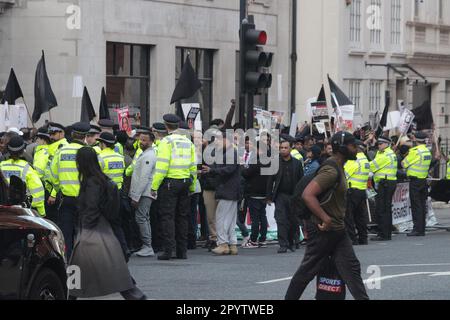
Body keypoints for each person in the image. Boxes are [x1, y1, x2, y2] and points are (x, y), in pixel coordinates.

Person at [285, 131, 369, 300]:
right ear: (343, 148)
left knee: (351, 268)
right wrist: (325, 218)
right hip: (323, 229)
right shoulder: (331, 169)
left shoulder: (339, 166)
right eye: (354, 146)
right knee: (307, 271)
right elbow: (308, 195)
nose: (357, 149)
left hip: (338, 230)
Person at [69, 147, 146, 300]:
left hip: (93, 230)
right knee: (111, 265)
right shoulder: (100, 178)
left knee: (79, 266)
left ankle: (70, 295)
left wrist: (84, 231)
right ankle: (134, 295)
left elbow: (91, 207)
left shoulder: (91, 182)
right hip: (102, 229)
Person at [151, 114, 197, 260]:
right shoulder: (187, 142)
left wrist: (154, 186)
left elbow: (162, 166)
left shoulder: (166, 142)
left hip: (170, 183)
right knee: (182, 217)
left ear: (165, 126)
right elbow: (193, 166)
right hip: (185, 182)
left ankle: (168, 250)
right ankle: (182, 251)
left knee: (168, 217)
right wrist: (192, 186)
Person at [49, 122, 90, 257]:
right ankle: (83, 260)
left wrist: (57, 189)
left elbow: (52, 174)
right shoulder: (89, 152)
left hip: (66, 200)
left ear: (72, 134)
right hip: (85, 200)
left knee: (66, 233)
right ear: (85, 137)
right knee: (83, 232)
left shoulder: (61, 151)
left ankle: (68, 262)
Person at [202, 131, 241, 255]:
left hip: (227, 190)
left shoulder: (230, 153)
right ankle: (233, 244)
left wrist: (211, 170)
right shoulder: (230, 152)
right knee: (230, 219)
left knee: (221, 218)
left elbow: (228, 170)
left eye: (219, 140)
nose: (216, 143)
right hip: (231, 190)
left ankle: (223, 244)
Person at [267, 139, 304, 253]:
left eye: (285, 148)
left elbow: (301, 180)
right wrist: (268, 196)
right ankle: (283, 244)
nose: (283, 150)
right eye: (281, 148)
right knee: (281, 219)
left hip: (294, 196)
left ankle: (292, 242)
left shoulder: (297, 163)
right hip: (280, 195)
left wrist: (301, 196)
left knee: (293, 220)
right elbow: (270, 180)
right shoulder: (275, 163)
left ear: (290, 149)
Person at [0, 136, 46, 216]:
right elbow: (38, 192)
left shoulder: (1, 165)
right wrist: (41, 213)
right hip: (21, 211)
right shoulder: (27, 167)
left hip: (2, 211)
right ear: (22, 151)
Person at [129, 129, 157, 257]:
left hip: (144, 192)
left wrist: (136, 196)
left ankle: (147, 246)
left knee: (141, 218)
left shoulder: (149, 156)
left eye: (144, 140)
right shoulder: (146, 153)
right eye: (140, 139)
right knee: (144, 217)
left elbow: (144, 177)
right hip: (144, 192)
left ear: (151, 142)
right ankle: (147, 245)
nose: (141, 142)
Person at [402, 132, 432, 237]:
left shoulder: (415, 152)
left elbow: (404, 163)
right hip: (423, 180)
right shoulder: (427, 152)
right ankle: (421, 229)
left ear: (415, 139)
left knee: (416, 206)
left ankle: (417, 229)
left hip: (415, 182)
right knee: (422, 206)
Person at [241, 141, 270, 249]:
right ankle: (262, 239)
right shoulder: (269, 162)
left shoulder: (256, 162)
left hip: (254, 193)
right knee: (263, 217)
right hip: (264, 194)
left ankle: (253, 240)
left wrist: (243, 167)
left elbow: (245, 173)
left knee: (255, 218)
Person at [370, 136, 398, 241]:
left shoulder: (385, 155)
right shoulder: (387, 153)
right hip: (387, 183)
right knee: (386, 209)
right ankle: (386, 233)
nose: (379, 146)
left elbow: (371, 166)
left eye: (381, 144)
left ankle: (383, 234)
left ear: (387, 144)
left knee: (382, 209)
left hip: (384, 184)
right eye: (378, 144)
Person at [344, 140, 370, 245]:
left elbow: (344, 174)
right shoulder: (365, 159)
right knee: (360, 217)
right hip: (361, 191)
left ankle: (352, 239)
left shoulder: (354, 160)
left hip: (351, 191)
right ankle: (363, 238)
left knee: (349, 217)